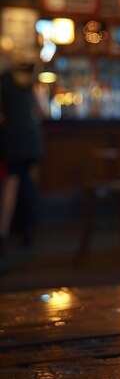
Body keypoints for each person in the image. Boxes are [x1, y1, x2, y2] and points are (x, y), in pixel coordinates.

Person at [0, 51, 45, 270]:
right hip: (31, 136)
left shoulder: (3, 81)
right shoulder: (31, 81)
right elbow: (43, 109)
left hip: (11, 136)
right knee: (27, 181)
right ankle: (27, 230)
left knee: (12, 181)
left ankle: (5, 232)